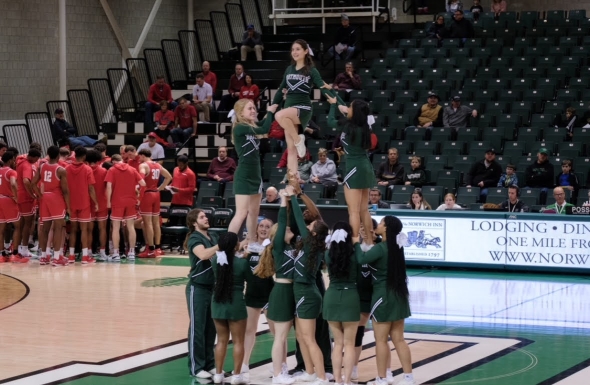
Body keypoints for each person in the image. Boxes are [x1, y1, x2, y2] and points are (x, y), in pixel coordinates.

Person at [273, 39, 343, 189]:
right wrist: (273, 104)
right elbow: (280, 90)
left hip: (303, 107)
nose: (295, 52)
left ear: (305, 51)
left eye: (298, 49)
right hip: (289, 106)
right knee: (290, 149)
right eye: (293, 50)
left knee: (279, 116)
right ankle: (293, 180)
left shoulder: (312, 70)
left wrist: (333, 99)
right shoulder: (289, 69)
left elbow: (321, 85)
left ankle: (299, 139)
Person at [353, 216, 415, 385]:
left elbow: (362, 259)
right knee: (399, 339)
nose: (378, 225)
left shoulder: (381, 248)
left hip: (383, 296)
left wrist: (357, 243)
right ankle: (408, 377)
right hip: (399, 296)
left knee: (380, 340)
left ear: (386, 228)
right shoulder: (396, 246)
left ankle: (381, 378)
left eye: (381, 223)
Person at [288, 187, 330, 385]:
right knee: (300, 335)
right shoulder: (313, 243)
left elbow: (297, 215)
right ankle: (310, 371)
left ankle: (321, 377)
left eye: (311, 225)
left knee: (309, 338)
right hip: (303, 292)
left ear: (312, 232)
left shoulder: (309, 243)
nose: (309, 225)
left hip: (307, 292)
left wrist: (294, 196)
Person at [254, 191, 296, 384]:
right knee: (279, 336)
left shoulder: (289, 248)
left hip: (289, 292)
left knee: (284, 336)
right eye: (285, 229)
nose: (289, 229)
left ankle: (283, 368)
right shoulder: (279, 247)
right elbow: (282, 218)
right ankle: (277, 374)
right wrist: (284, 200)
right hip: (281, 292)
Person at [326, 96, 375, 251]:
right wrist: (336, 97)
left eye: (351, 107)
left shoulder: (348, 126)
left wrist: (334, 106)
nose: (348, 108)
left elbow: (330, 121)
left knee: (353, 211)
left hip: (354, 167)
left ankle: (355, 244)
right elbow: (348, 109)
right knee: (363, 209)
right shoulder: (366, 125)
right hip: (366, 166)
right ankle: (369, 242)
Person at [226, 99, 277, 245]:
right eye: (250, 109)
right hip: (244, 175)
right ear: (241, 112)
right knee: (241, 213)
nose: (254, 111)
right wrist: (270, 112)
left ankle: (252, 242)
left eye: (254, 108)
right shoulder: (240, 127)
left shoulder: (251, 125)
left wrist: (276, 102)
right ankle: (226, 246)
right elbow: (264, 129)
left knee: (254, 212)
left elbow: (265, 123)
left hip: (256, 175)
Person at [210, 232, 252, 385]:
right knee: (238, 342)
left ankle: (218, 375)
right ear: (236, 246)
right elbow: (250, 278)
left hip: (218, 303)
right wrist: (245, 257)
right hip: (236, 304)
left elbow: (226, 263)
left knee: (221, 341)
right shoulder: (242, 263)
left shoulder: (215, 261)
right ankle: (236, 376)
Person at [323, 221, 360, 385]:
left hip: (331, 296)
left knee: (337, 343)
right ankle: (347, 381)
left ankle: (337, 380)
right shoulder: (354, 254)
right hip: (350, 296)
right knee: (349, 343)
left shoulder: (327, 254)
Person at [184, 209, 219, 379]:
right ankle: (196, 367)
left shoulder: (213, 236)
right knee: (197, 328)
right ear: (193, 223)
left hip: (212, 288)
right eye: (202, 217)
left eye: (206, 216)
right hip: (197, 288)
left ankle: (209, 364)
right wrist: (221, 246)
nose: (206, 218)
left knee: (211, 328)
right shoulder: (195, 238)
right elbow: (204, 254)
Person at [242, 218, 275, 377]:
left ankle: (279, 365)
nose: (263, 229)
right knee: (249, 330)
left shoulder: (273, 247)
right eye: (261, 226)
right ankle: (244, 364)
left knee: (276, 332)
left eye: (267, 227)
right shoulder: (248, 246)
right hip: (251, 293)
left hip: (269, 294)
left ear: (271, 230)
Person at [31, 146, 70, 266]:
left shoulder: (42, 166)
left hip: (45, 197)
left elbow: (33, 183)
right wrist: (68, 206)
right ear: (58, 156)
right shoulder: (61, 170)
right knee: (58, 228)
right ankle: (57, 257)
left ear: (48, 154)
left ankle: (44, 256)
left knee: (44, 229)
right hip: (56, 198)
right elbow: (65, 191)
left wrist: (38, 195)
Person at [105, 154, 146, 261]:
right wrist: (138, 196)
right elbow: (143, 183)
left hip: (117, 201)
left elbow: (109, 186)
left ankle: (116, 253)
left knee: (116, 228)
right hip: (130, 201)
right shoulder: (132, 169)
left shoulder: (112, 170)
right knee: (131, 227)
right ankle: (131, 252)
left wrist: (108, 201)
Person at [65, 147, 99, 264]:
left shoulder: (67, 168)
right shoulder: (87, 169)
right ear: (84, 156)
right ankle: (85, 257)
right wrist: (96, 202)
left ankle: (71, 256)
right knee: (84, 230)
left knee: (73, 230)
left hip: (71, 202)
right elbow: (91, 188)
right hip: (84, 202)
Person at [137, 149, 172, 258]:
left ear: (142, 156)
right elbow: (169, 177)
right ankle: (158, 248)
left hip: (147, 194)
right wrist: (160, 188)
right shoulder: (157, 165)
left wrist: (137, 192)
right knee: (156, 223)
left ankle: (150, 249)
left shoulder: (143, 166)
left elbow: (141, 181)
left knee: (147, 223)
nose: (139, 159)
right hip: (156, 194)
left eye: (139, 157)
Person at [16, 148, 41, 262]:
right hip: (26, 197)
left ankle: (20, 247)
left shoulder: (21, 162)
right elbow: (26, 181)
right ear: (32, 157)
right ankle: (25, 248)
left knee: (21, 223)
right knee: (28, 223)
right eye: (36, 159)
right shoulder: (26, 165)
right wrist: (31, 194)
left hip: (20, 196)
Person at [0, 152, 25, 263]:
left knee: (1, 230)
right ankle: (15, 253)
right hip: (7, 199)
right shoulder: (11, 172)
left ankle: (2, 255)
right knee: (17, 226)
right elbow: (13, 184)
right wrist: (15, 196)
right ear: (10, 160)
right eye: (14, 160)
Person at [86, 149, 110, 261]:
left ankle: (89, 252)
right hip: (102, 202)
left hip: (88, 203)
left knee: (89, 230)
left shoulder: (85, 170)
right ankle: (102, 252)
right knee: (102, 229)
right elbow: (107, 187)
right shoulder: (104, 171)